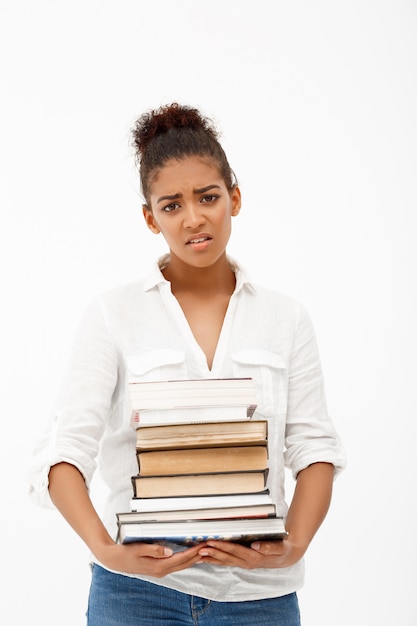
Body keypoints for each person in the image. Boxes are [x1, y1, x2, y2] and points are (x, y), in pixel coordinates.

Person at [29, 102, 346, 626]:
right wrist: (107, 551)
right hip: (136, 595)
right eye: (172, 205)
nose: (194, 218)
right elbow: (65, 451)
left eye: (208, 197)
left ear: (234, 199)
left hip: (259, 597)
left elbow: (313, 446)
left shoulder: (285, 318)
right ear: (151, 217)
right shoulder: (114, 313)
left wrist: (296, 544)